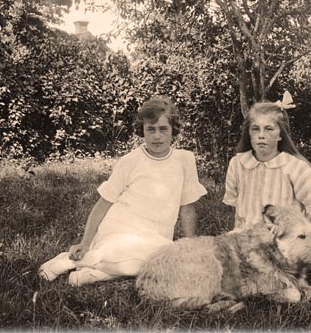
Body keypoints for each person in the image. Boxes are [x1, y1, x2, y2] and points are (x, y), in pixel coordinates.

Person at [39, 96, 207, 286]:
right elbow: (103, 204)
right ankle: (69, 260)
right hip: (120, 229)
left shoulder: (184, 160)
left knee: (167, 261)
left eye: (163, 129)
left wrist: (191, 246)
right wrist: (86, 243)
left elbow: (187, 209)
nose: (157, 136)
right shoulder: (131, 161)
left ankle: (94, 274)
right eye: (150, 130)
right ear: (142, 131)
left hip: (156, 237)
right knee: (132, 257)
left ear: (173, 130)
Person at [223, 91, 311, 275]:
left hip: (281, 247)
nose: (261, 135)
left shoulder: (295, 168)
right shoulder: (238, 164)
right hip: (245, 242)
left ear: (280, 135)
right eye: (255, 129)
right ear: (248, 133)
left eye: (269, 129)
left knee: (275, 281)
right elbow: (238, 214)